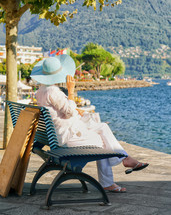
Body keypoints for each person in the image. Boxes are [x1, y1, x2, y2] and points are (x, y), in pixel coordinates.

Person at [31, 56, 149, 193]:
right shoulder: (53, 92)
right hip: (67, 138)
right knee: (104, 142)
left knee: (103, 127)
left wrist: (76, 110)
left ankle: (125, 159)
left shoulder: (41, 91)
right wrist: (71, 91)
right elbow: (68, 112)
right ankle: (116, 172)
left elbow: (60, 112)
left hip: (60, 134)